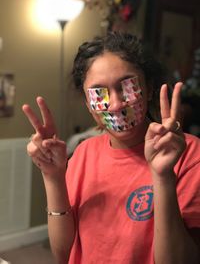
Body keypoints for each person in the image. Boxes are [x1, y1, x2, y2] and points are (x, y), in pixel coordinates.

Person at [22, 32, 200, 264]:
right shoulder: (84, 152)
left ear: (148, 88)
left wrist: (163, 176)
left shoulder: (189, 153)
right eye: (99, 93)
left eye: (126, 86)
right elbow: (64, 254)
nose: (115, 104)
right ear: (88, 104)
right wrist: (53, 176)